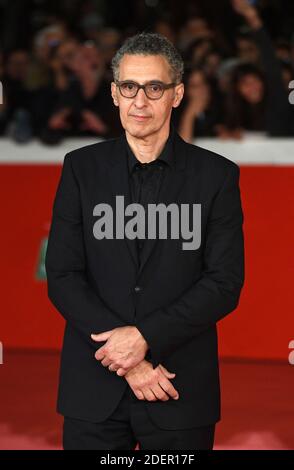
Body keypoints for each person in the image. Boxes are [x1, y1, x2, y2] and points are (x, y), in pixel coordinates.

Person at [45, 32, 244, 450]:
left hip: (179, 388)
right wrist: (130, 360)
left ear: (177, 94)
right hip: (93, 390)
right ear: (115, 93)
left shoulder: (217, 176)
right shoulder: (80, 169)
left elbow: (223, 284)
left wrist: (144, 337)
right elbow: (63, 274)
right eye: (130, 87)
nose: (140, 101)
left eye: (155, 87)